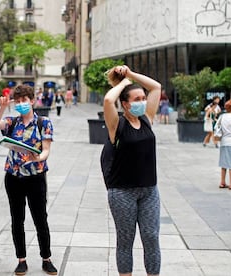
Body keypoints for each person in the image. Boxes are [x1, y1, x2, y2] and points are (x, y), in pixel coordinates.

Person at [0, 84, 58, 275]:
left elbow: (46, 149)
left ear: (32, 101)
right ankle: (21, 259)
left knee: (40, 218)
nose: (21, 104)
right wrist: (2, 107)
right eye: (18, 101)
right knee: (16, 219)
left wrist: (39, 157)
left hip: (35, 176)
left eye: (24, 100)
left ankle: (46, 258)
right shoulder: (12, 122)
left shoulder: (43, 122)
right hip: (13, 176)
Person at [104, 65, 161, 276]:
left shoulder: (147, 119)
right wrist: (123, 84)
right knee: (125, 240)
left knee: (152, 237)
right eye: (137, 100)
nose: (142, 102)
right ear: (126, 104)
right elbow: (109, 101)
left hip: (149, 191)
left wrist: (130, 75)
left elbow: (156, 87)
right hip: (122, 192)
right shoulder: (116, 125)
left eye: (143, 98)